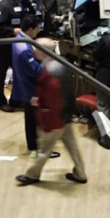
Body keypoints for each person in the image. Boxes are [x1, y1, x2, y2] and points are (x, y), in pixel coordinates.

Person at [16, 38, 87, 186]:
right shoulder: (61, 62)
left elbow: (52, 99)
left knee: (44, 149)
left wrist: (45, 117)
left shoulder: (48, 70)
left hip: (54, 118)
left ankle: (32, 175)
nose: (33, 51)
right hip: (66, 114)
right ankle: (80, 173)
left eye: (35, 49)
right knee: (72, 147)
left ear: (42, 52)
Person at [11, 13, 44, 152]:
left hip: (22, 85)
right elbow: (36, 70)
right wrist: (46, 59)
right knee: (35, 120)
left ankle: (33, 146)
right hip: (31, 89)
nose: (38, 31)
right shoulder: (25, 50)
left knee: (30, 119)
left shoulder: (18, 39)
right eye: (37, 29)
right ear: (30, 29)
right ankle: (38, 148)